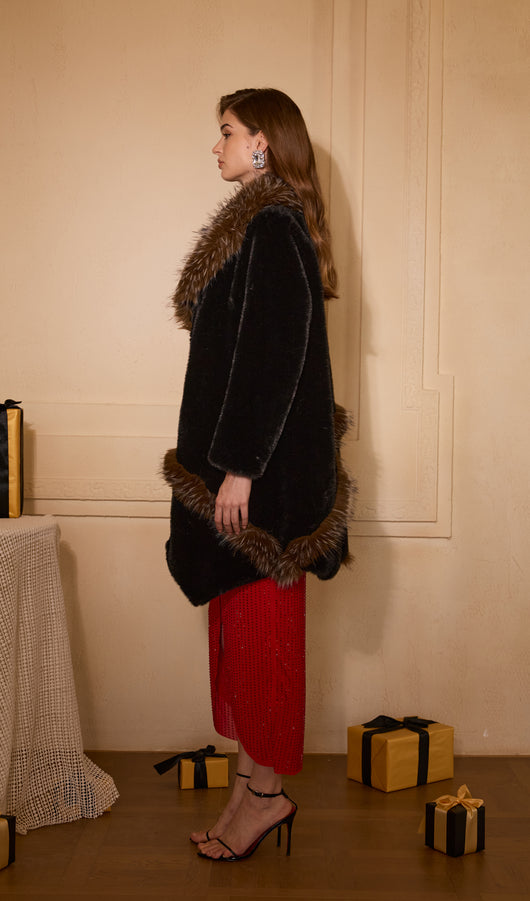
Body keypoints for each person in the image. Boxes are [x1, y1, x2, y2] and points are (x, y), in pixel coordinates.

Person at [163, 87, 353, 861]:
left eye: (227, 132)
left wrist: (240, 468)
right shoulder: (261, 225)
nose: (217, 146)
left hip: (261, 485)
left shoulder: (271, 226)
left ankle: (267, 797)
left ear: (263, 144)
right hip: (248, 475)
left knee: (262, 641)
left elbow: (274, 356)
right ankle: (249, 786)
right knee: (242, 641)